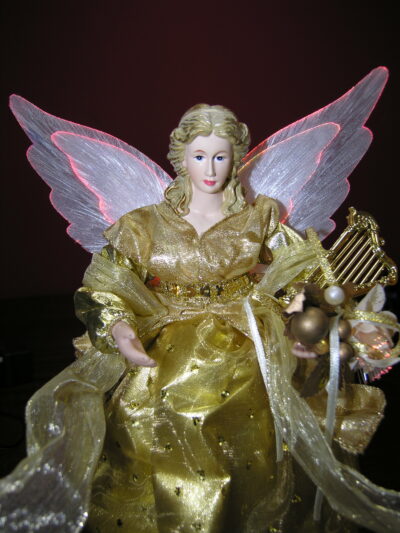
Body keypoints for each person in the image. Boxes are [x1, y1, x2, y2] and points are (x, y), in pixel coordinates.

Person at [72, 105, 390, 532]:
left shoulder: (260, 217)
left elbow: (297, 274)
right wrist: (119, 327)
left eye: (220, 157)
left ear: (236, 159)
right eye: (200, 156)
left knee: (261, 427)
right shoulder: (142, 224)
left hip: (247, 335)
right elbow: (104, 284)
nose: (210, 169)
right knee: (153, 419)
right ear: (182, 159)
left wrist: (305, 318)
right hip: (166, 338)